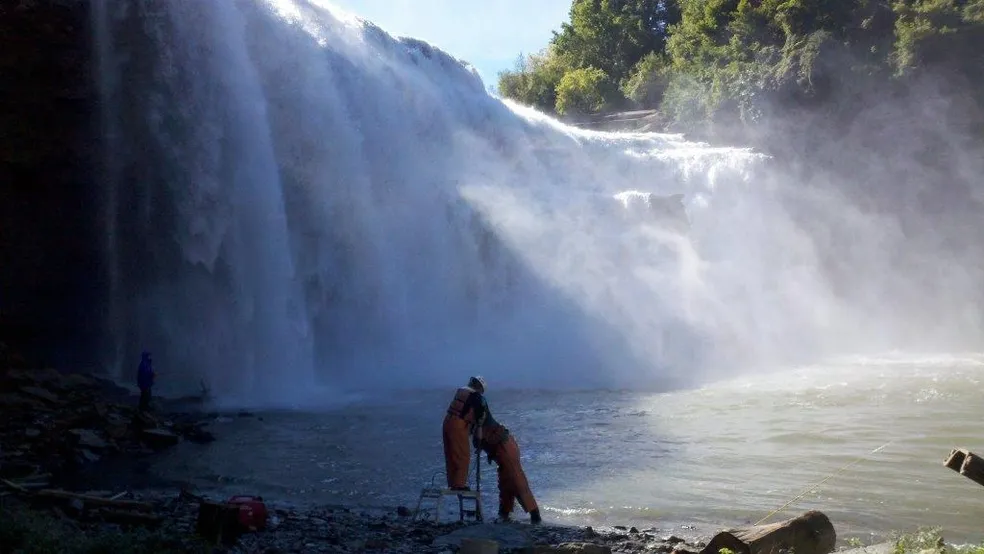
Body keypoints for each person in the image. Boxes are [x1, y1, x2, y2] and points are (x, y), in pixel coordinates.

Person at [474, 410, 541, 524]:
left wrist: (480, 442)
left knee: (516, 481)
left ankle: (535, 516)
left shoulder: (477, 409)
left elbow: (479, 437)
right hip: (503, 448)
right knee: (505, 483)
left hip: (505, 447)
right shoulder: (472, 417)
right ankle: (504, 514)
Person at [442, 376, 489, 490]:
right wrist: (479, 442)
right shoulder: (477, 398)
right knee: (462, 455)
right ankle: (459, 485)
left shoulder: (461, 392)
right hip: (458, 426)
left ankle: (453, 483)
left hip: (447, 423)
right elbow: (479, 423)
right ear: (480, 388)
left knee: (451, 455)